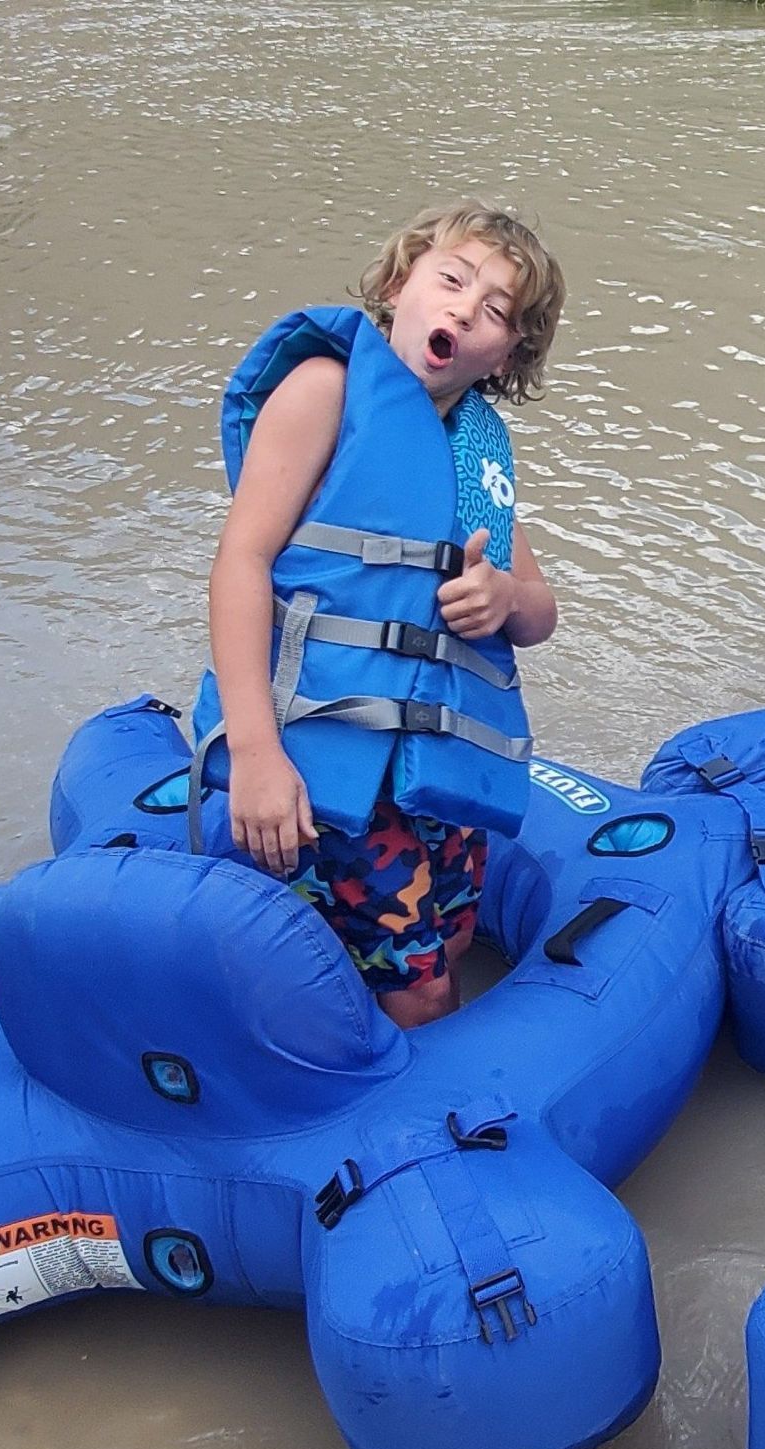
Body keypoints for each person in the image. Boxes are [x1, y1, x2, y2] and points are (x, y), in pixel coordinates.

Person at [196, 201, 565, 1028]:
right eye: (452, 280)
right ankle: (408, 1140)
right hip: (327, 757)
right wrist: (255, 751)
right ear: (400, 285)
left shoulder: (473, 458)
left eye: (497, 311)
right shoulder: (325, 390)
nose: (467, 309)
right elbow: (241, 563)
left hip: (430, 767)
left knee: (455, 936)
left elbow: (539, 612)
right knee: (425, 990)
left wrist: (505, 597)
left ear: (506, 355)